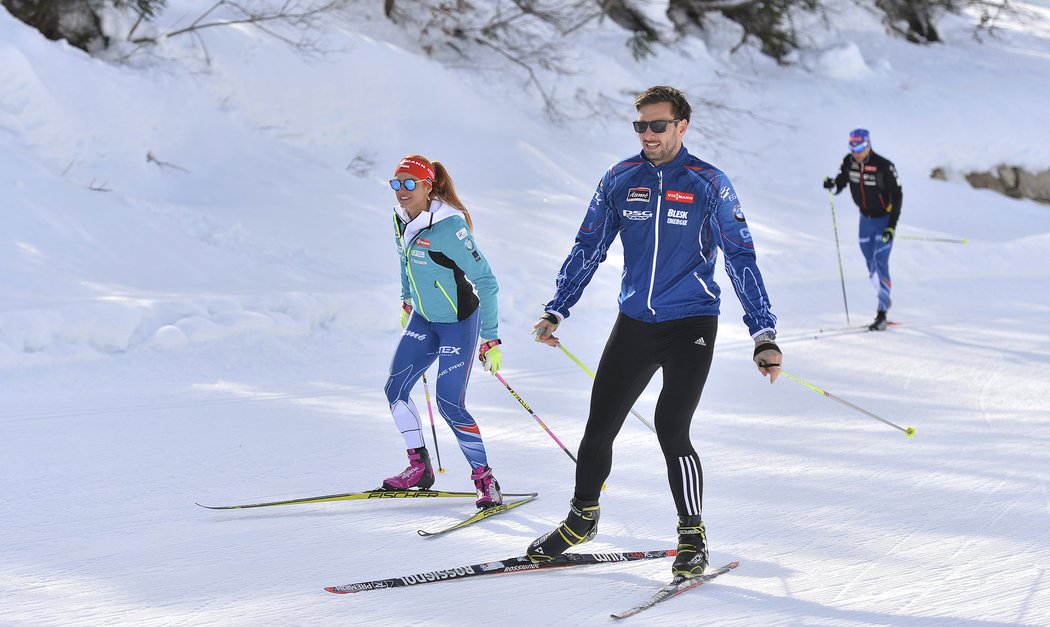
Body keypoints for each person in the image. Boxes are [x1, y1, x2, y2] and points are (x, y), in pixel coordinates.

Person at [526, 86, 782, 580]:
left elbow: (741, 258)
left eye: (657, 126)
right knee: (599, 427)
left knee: (671, 427)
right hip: (635, 323)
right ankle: (582, 519)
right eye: (640, 126)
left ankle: (692, 533)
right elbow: (589, 245)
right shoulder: (620, 179)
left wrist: (763, 334)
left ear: (682, 126)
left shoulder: (709, 182)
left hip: (691, 323)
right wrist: (557, 309)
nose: (648, 135)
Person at [381, 154, 505, 509]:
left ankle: (485, 479)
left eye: (409, 184)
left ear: (427, 186)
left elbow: (487, 282)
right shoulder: (399, 218)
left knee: (450, 404)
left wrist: (491, 337)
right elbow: (403, 258)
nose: (401, 191)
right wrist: (407, 298)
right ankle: (419, 467)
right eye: (396, 184)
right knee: (395, 389)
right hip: (423, 319)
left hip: (458, 325)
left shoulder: (450, 228)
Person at [823, 128, 903, 331]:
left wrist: (891, 227)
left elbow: (897, 196)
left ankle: (882, 312)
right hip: (865, 220)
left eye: (859, 148)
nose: (856, 152)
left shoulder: (884, 166)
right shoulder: (849, 161)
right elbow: (842, 180)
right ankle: (884, 297)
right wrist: (833, 184)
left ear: (868, 145)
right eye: (852, 148)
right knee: (870, 265)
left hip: (884, 219)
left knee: (880, 261)